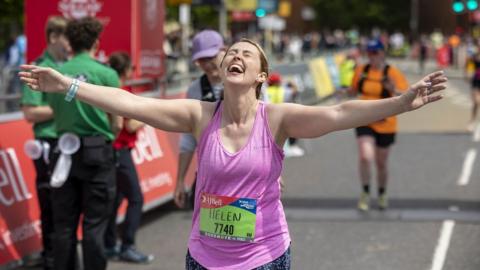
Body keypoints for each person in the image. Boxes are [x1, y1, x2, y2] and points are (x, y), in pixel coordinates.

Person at [19, 38, 447, 270]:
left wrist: (398, 104)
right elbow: (130, 103)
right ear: (224, 70)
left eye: (247, 54)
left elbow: (338, 112)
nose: (236, 56)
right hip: (204, 258)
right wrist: (68, 86)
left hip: (265, 256)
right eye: (232, 54)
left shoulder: (276, 119)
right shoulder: (200, 114)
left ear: (261, 75)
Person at [45, 17, 121, 270]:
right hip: (97, 152)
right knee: (94, 225)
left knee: (64, 225)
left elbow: (54, 111)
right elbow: (117, 123)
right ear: (96, 42)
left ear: (70, 43)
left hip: (62, 152)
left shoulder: (56, 74)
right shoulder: (106, 73)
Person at [20, 16, 70, 270]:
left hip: (68, 144)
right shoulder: (38, 68)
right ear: (53, 37)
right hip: (48, 144)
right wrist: (63, 107)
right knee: (50, 204)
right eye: (66, 38)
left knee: (65, 207)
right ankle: (50, 258)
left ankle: (61, 257)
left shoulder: (66, 68)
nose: (70, 45)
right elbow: (30, 112)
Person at [102, 52, 154, 263]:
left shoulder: (108, 89)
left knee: (115, 199)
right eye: (131, 69)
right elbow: (130, 124)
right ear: (125, 71)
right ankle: (127, 245)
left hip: (111, 149)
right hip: (119, 150)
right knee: (135, 198)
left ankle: (109, 244)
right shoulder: (122, 91)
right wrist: (148, 115)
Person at [350, 39, 409, 211]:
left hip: (386, 123)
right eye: (369, 52)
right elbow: (353, 90)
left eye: (375, 52)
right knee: (365, 156)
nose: (372, 56)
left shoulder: (393, 73)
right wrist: (344, 90)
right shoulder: (362, 70)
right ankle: (365, 193)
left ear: (382, 53)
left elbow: (406, 95)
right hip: (364, 119)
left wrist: (392, 88)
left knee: (381, 163)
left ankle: (382, 192)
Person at [174, 30, 225, 209]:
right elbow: (188, 138)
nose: (207, 64)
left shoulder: (245, 81)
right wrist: (180, 181)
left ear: (224, 51)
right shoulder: (195, 90)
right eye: (201, 60)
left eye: (211, 57)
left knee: (245, 230)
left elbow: (266, 127)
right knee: (208, 232)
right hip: (209, 174)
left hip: (245, 172)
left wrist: (274, 174)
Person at [469, 50, 480, 131]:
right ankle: (472, 121)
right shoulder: (475, 55)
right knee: (476, 102)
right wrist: (467, 74)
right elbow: (468, 65)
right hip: (476, 80)